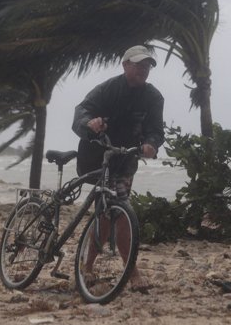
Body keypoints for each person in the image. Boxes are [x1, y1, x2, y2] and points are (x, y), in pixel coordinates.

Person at [72, 44, 164, 292]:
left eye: (147, 66)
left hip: (125, 160)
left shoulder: (153, 97)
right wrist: (89, 123)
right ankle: (130, 271)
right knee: (112, 213)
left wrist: (151, 144)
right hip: (97, 158)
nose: (143, 69)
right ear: (125, 65)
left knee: (116, 212)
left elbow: (156, 130)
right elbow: (81, 112)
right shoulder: (107, 89)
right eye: (138, 65)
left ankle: (88, 266)